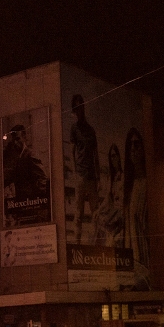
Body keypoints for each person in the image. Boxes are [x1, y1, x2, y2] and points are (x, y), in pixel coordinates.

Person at [69, 94, 101, 245]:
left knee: (96, 212)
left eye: (80, 107)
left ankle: (95, 243)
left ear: (83, 108)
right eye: (76, 108)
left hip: (92, 176)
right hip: (81, 175)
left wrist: (99, 176)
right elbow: (72, 150)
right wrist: (75, 171)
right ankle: (77, 244)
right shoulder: (74, 128)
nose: (79, 110)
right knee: (78, 213)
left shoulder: (91, 130)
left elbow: (95, 154)